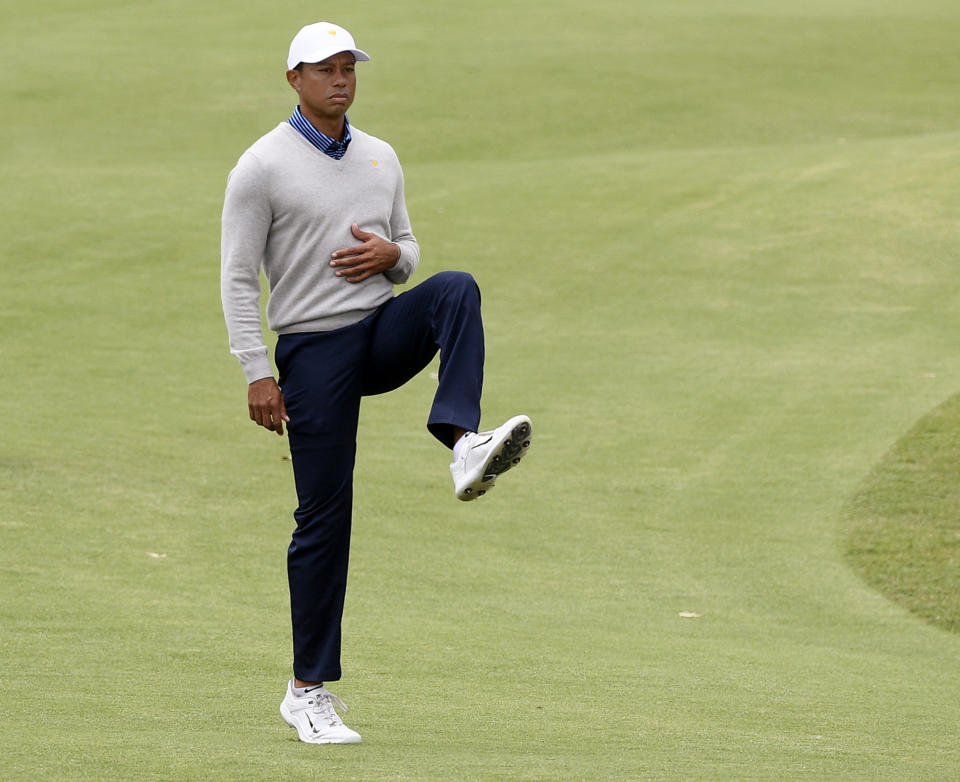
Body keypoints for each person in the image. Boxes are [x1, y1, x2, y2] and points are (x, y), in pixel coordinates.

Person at [220, 22, 533, 745]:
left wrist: (396, 257)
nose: (340, 79)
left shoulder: (379, 156)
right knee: (324, 518)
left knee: (455, 288)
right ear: (294, 79)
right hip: (311, 351)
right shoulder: (260, 167)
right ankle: (306, 692)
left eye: (347, 68)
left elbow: (409, 249)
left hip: (378, 329)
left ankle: (461, 441)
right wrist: (257, 372)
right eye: (324, 70)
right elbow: (238, 279)